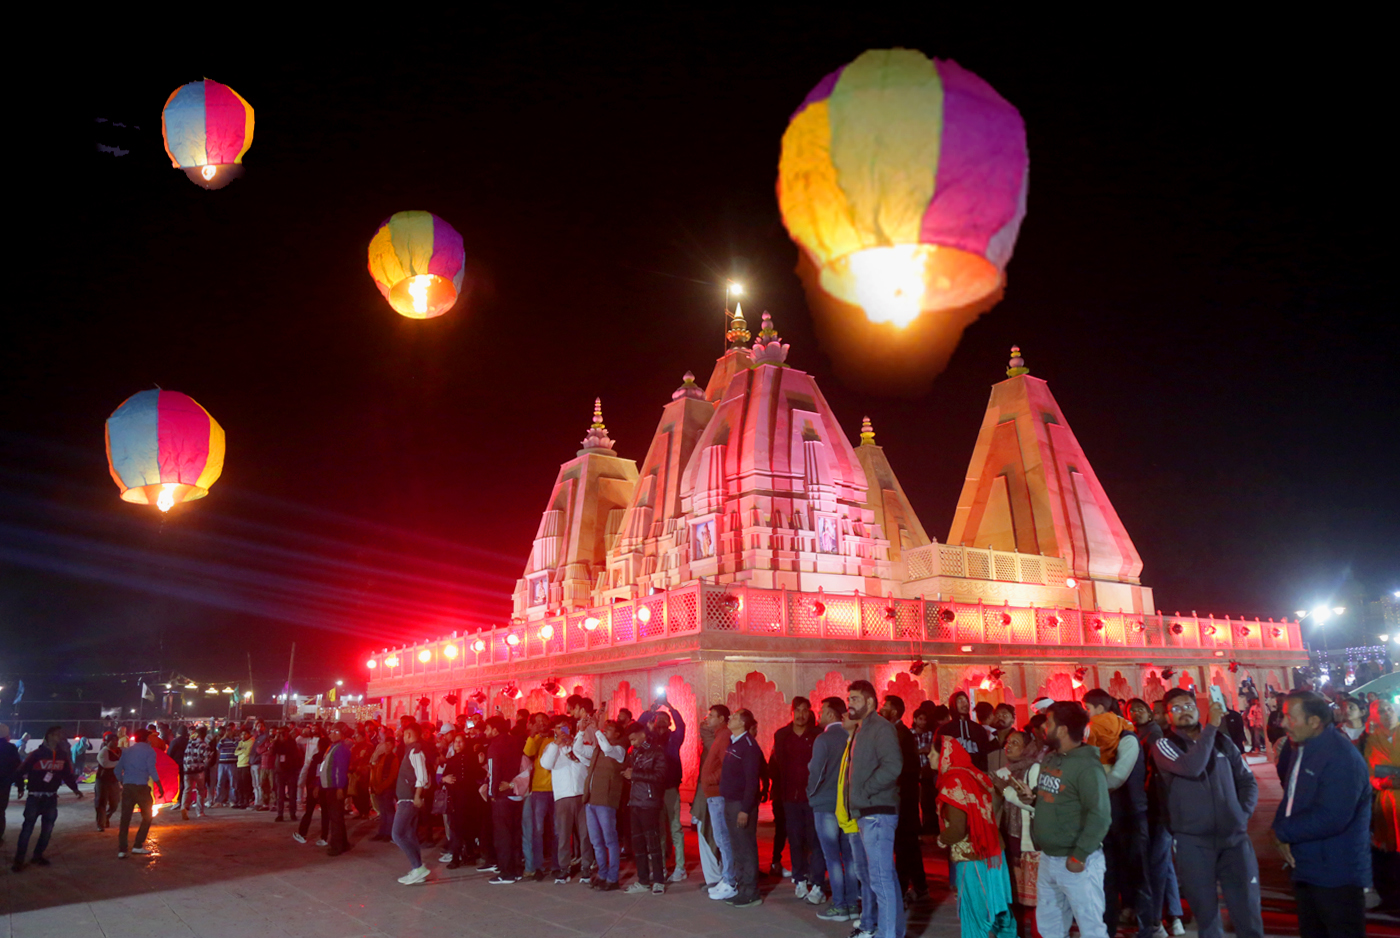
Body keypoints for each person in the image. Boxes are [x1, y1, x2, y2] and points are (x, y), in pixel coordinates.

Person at [1151, 687, 1262, 938]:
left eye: (1188, 706)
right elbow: (1192, 767)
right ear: (1168, 716)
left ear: (1197, 708)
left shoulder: (1223, 742)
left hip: (1234, 840)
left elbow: (1247, 781)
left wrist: (1241, 815)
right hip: (1193, 842)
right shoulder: (1164, 745)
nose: (1184, 713)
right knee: (1207, 915)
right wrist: (1211, 728)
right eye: (1176, 709)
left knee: (1248, 910)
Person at [1272, 690, 1371, 937]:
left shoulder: (1341, 757)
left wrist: (1281, 832)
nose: (1282, 724)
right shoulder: (1302, 747)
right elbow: (1291, 796)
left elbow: (1332, 817)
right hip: (1307, 865)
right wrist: (1279, 826)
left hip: (1336, 872)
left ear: (1314, 721)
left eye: (1290, 717)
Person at [1031, 701, 1111, 938]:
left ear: (1063, 729)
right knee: (1050, 926)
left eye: (1049, 722)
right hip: (1049, 858)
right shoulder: (1051, 758)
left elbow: (1100, 814)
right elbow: (1054, 795)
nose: (1044, 726)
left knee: (1091, 928)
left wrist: (1080, 854)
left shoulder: (1087, 767)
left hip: (1078, 862)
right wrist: (1032, 795)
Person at [843, 679, 905, 938]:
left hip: (878, 813)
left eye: (855, 699)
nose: (850, 705)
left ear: (870, 701)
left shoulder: (881, 728)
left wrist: (864, 791)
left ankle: (888, 934)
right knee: (882, 877)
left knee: (881, 880)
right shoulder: (862, 730)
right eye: (849, 700)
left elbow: (893, 766)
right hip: (868, 812)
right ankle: (892, 931)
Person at [1084, 688, 1148, 938]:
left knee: (1134, 872)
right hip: (1106, 814)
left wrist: (1090, 786)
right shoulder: (1100, 735)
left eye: (1088, 709)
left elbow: (1119, 777)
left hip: (1128, 814)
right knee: (1107, 873)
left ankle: (1147, 925)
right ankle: (1108, 927)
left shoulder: (1126, 737)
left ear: (1100, 708)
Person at [938, 738, 1016, 938]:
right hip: (993, 851)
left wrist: (942, 838)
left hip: (972, 857)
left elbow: (957, 829)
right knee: (1000, 911)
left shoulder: (952, 782)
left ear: (945, 757)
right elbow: (994, 804)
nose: (929, 757)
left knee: (975, 914)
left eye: (932, 753)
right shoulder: (976, 775)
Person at [1128, 699, 1184, 938]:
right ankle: (1172, 917)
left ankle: (1157, 921)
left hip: (1159, 809)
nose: (1135, 712)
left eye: (1141, 709)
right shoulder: (1139, 735)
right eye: (1131, 710)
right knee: (1163, 865)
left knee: (1158, 866)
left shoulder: (1155, 738)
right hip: (1153, 809)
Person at [771, 696, 826, 904]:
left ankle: (817, 880)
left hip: (813, 796)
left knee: (815, 839)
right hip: (789, 796)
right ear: (791, 712)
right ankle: (800, 878)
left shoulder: (817, 735)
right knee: (794, 838)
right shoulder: (782, 735)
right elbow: (778, 766)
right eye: (798, 710)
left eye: (805, 710)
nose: (801, 715)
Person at [808, 696, 857, 922]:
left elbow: (816, 772)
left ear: (830, 714)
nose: (818, 715)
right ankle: (852, 903)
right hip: (848, 804)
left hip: (826, 803)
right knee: (849, 856)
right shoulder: (852, 735)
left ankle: (839, 905)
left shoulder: (824, 739)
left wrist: (812, 794)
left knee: (832, 857)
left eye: (821, 710)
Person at [12, 726, 84, 871]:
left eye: (60, 734)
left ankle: (37, 856)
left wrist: (75, 789)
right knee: (27, 829)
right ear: (48, 736)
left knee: (47, 829)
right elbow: (20, 771)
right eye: (56, 734)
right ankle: (18, 861)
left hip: (51, 798)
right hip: (34, 796)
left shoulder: (62, 755)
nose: (59, 737)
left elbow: (67, 775)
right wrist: (20, 787)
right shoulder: (36, 754)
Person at [988, 729, 1042, 917]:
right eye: (1008, 742)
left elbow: (1035, 806)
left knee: (1036, 901)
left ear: (1028, 747)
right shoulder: (1006, 772)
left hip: (1029, 841)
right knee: (1013, 895)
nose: (1008, 746)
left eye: (1015, 743)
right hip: (1010, 836)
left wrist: (1006, 791)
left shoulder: (1034, 769)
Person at [880, 694, 927, 902]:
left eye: (885, 706)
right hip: (904, 798)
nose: (882, 709)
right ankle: (920, 886)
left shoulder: (900, 734)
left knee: (903, 845)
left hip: (903, 799)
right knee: (909, 846)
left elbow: (901, 770)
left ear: (895, 711)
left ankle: (901, 890)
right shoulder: (896, 733)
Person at [719, 708, 763, 907]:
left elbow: (752, 781)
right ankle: (741, 886)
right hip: (730, 802)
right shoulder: (733, 743)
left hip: (740, 805)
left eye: (735, 717)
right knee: (737, 847)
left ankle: (750, 891)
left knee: (745, 847)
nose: (730, 719)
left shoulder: (748, 746)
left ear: (744, 723)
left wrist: (745, 809)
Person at [640, 698, 687, 883]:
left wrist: (670, 706)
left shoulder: (674, 739)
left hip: (670, 789)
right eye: (657, 719)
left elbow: (682, 725)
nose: (661, 722)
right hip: (654, 789)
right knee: (657, 830)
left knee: (675, 827)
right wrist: (651, 710)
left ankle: (680, 868)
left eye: (664, 719)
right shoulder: (649, 740)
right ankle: (660, 868)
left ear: (669, 723)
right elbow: (638, 726)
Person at [579, 717, 626, 890]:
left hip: (606, 801)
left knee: (609, 840)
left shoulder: (618, 750)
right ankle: (603, 873)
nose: (605, 731)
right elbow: (578, 750)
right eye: (605, 729)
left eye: (609, 729)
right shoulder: (598, 750)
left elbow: (607, 747)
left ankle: (613, 878)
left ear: (618, 733)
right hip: (591, 800)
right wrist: (581, 731)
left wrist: (596, 729)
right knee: (596, 841)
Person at [623, 720, 669, 894]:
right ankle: (643, 880)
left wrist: (635, 774)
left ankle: (658, 880)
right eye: (631, 740)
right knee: (638, 844)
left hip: (649, 802)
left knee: (653, 842)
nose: (632, 743)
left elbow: (660, 775)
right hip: (635, 801)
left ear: (643, 734)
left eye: (634, 739)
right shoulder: (634, 752)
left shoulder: (657, 751)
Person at [1363, 698, 1399, 910]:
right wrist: (1389, 781)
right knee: (1390, 854)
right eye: (1381, 712)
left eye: (1389, 709)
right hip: (1387, 802)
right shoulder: (1373, 740)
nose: (1387, 713)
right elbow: (1371, 773)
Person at [541, 721, 588, 882]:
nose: (563, 731)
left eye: (565, 727)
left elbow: (588, 762)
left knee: (585, 834)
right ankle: (564, 867)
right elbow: (545, 764)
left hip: (582, 795)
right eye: (559, 728)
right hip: (562, 797)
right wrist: (557, 744)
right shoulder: (551, 748)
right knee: (563, 835)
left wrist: (573, 745)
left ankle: (586, 867)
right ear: (554, 730)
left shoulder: (578, 744)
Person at [484, 714, 525, 884]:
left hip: (502, 796)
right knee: (515, 833)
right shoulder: (515, 741)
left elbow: (494, 771)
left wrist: (492, 793)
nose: (485, 732)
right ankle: (516, 869)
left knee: (503, 835)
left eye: (487, 728)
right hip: (516, 793)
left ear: (494, 729)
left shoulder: (495, 745)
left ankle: (506, 872)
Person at [114, 728, 166, 858]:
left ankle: (122, 849)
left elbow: (117, 770)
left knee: (125, 819)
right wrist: (159, 785)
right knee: (147, 816)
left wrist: (122, 781)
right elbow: (151, 769)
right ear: (145, 738)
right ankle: (137, 845)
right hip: (142, 788)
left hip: (128, 787)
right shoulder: (150, 751)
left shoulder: (126, 751)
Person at [702, 704, 736, 898]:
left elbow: (727, 765)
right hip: (713, 795)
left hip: (717, 794)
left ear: (722, 718)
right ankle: (726, 877)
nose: (708, 718)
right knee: (721, 839)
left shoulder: (724, 736)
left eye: (712, 715)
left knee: (723, 839)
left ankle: (730, 881)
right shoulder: (719, 736)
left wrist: (710, 779)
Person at [395, 721, 432, 885]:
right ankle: (417, 868)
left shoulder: (416, 751)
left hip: (409, 799)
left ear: (408, 734)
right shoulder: (411, 750)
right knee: (409, 834)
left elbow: (422, 776)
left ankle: (417, 866)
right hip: (407, 798)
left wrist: (417, 795)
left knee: (398, 834)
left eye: (404, 734)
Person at [318, 724, 352, 856]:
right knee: (336, 816)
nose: (330, 734)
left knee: (336, 817)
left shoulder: (341, 749)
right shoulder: (334, 747)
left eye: (333, 732)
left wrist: (339, 787)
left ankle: (337, 845)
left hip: (334, 787)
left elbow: (341, 770)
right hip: (330, 786)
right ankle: (342, 843)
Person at [937, 691, 992, 771]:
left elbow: (985, 754)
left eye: (966, 700)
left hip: (976, 774)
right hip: (954, 774)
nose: (964, 703)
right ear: (953, 704)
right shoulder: (945, 730)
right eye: (960, 701)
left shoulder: (978, 729)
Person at [293, 730, 330, 847]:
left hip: (316, 787)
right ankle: (324, 837)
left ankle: (302, 834)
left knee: (309, 811)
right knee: (325, 813)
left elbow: (316, 773)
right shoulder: (328, 757)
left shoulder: (318, 757)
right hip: (324, 787)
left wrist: (313, 786)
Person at [912, 706, 939, 835]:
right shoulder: (909, 733)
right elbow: (911, 752)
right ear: (915, 719)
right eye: (920, 719)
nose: (923, 722)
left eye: (924, 719)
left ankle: (930, 829)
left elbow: (931, 748)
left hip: (929, 772)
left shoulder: (930, 734)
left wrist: (920, 750)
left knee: (928, 801)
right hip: (914, 772)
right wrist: (922, 750)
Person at [273, 725, 303, 822]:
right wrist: (275, 740)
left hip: (291, 770)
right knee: (280, 794)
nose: (281, 734)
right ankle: (280, 814)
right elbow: (273, 752)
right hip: (279, 771)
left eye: (283, 732)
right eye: (279, 732)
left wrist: (285, 740)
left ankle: (292, 813)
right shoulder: (276, 742)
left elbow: (290, 752)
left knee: (292, 793)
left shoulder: (291, 742)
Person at [180, 726, 211, 820]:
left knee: (187, 789)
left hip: (187, 770)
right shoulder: (205, 745)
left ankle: (184, 807)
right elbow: (206, 760)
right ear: (204, 735)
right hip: (199, 771)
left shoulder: (190, 743)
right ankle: (200, 812)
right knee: (200, 791)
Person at [95, 732, 122, 830]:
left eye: (116, 740)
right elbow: (106, 764)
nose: (116, 742)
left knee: (115, 803)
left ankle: (106, 817)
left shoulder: (119, 751)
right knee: (101, 802)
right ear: (107, 742)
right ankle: (100, 824)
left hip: (114, 780)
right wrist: (120, 763)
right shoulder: (104, 752)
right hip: (103, 780)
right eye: (113, 741)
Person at [0, 724, 21, 844]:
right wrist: (20, 785)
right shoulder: (11, 748)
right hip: (4, 785)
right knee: (1, 811)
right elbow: (17, 767)